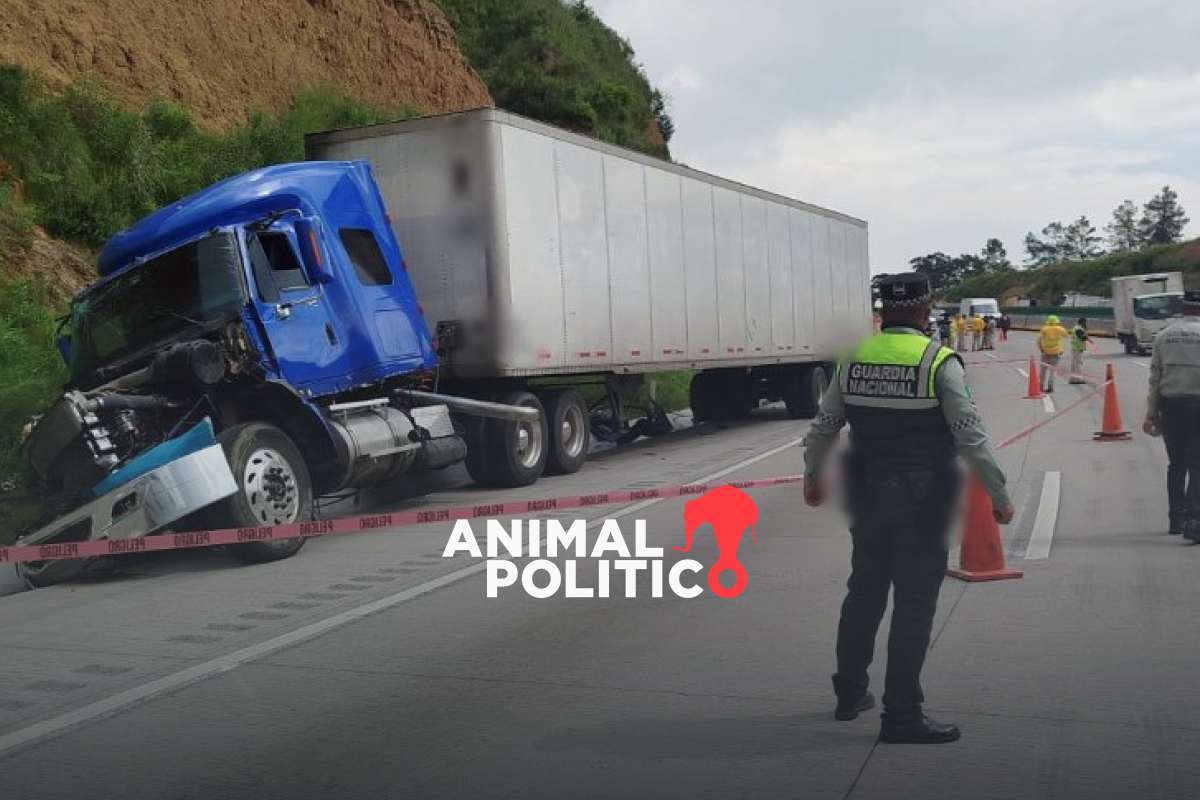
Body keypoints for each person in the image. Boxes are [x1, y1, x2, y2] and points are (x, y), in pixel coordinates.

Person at [804, 272, 1014, 744]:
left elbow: (823, 426)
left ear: (884, 312)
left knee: (864, 593)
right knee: (914, 605)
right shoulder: (938, 361)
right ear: (924, 312)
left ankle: (849, 693)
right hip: (922, 498)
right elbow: (970, 435)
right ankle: (902, 715)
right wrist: (998, 495)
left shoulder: (852, 360)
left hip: (867, 495)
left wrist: (812, 477)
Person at [1143, 291, 1200, 541]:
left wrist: (1151, 413)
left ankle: (1175, 520)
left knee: (1177, 464)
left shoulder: (1164, 335)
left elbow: (1155, 378)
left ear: (1182, 309)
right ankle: (1194, 520)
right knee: (1197, 464)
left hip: (1172, 407)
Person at [1036, 314, 1070, 393]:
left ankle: (1040, 386)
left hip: (1045, 352)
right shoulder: (1060, 329)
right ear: (1056, 322)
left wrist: (1041, 349)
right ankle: (1050, 387)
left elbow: (1038, 340)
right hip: (1055, 353)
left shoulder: (1044, 329)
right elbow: (1067, 335)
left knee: (1042, 371)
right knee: (1052, 371)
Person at [1069, 318, 1090, 384]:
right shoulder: (1079, 329)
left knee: (1074, 365)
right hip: (1077, 349)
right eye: (1085, 322)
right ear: (1083, 322)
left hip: (1075, 348)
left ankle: (1072, 379)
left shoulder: (1076, 328)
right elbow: (1082, 338)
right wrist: (1086, 335)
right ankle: (1079, 379)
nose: (1086, 324)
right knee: (1078, 364)